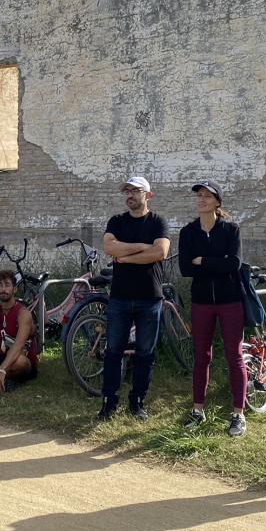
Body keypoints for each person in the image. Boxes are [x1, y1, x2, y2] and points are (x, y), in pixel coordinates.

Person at [178, 181, 247, 437]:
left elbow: (235, 264)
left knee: (234, 356)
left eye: (207, 196)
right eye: (199, 195)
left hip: (230, 300)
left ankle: (238, 414)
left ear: (218, 202)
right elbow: (185, 268)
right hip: (202, 300)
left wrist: (203, 261)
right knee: (201, 356)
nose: (201, 199)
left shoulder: (231, 230)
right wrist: (218, 263)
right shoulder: (188, 232)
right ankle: (198, 410)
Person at [100, 176, 170, 420]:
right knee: (113, 351)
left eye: (135, 191)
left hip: (149, 298)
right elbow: (109, 248)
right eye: (127, 191)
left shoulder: (158, 222)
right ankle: (109, 402)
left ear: (148, 195)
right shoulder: (117, 221)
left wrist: (126, 256)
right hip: (119, 297)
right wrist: (142, 246)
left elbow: (160, 252)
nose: (130, 195)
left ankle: (137, 401)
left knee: (145, 353)